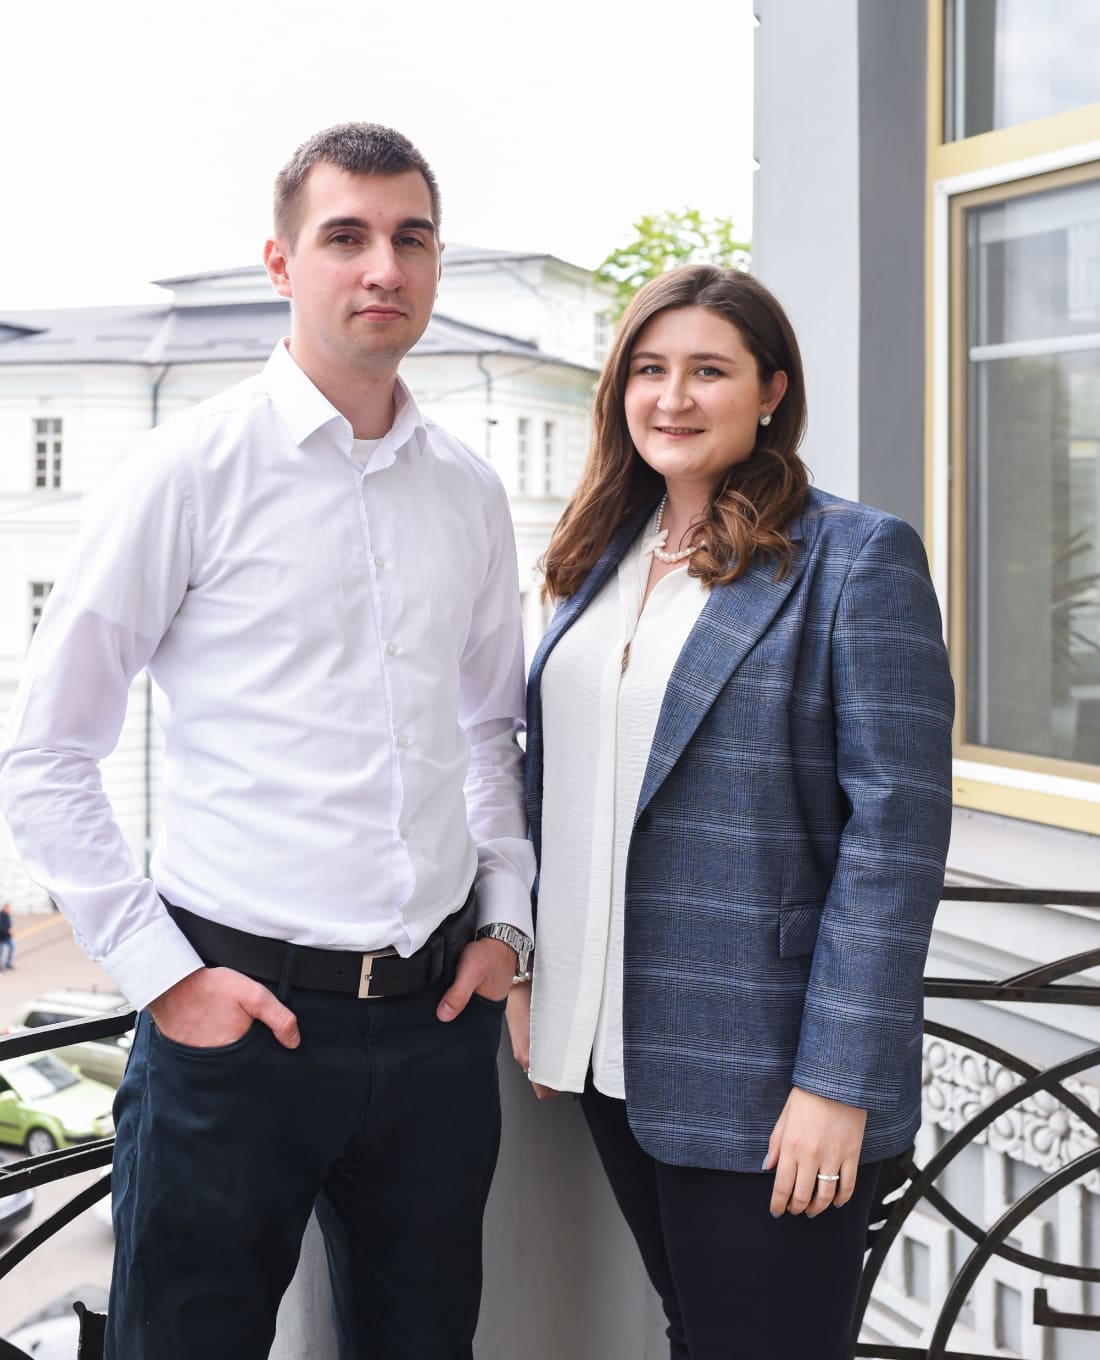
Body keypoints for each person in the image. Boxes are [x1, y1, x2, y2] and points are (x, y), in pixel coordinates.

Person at [0, 122, 534, 1360]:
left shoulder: (468, 491)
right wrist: (162, 976)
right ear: (280, 262)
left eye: (409, 238)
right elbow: (46, 751)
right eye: (344, 236)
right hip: (234, 1024)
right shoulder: (184, 470)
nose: (381, 268)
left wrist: (505, 920)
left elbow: (486, 729)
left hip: (433, 1027)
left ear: (436, 263)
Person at [506, 265, 954, 1359]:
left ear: (770, 392)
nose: (672, 396)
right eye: (648, 370)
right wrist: (521, 959)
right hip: (609, 1050)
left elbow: (893, 837)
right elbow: (552, 782)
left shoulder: (855, 558)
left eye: (707, 370)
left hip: (769, 1074)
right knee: (694, 1331)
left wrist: (832, 1084)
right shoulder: (592, 559)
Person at [0, 904, 13, 970]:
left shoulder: (8, 915)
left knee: (12, 947)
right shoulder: (1, 916)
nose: (8, 910)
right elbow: (1, 927)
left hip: (7, 937)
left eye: (9, 909)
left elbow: (9, 925)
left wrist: (11, 929)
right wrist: (8, 931)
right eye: (7, 908)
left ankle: (8, 963)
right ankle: (0, 967)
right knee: (1, 951)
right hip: (1, 937)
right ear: (4, 908)